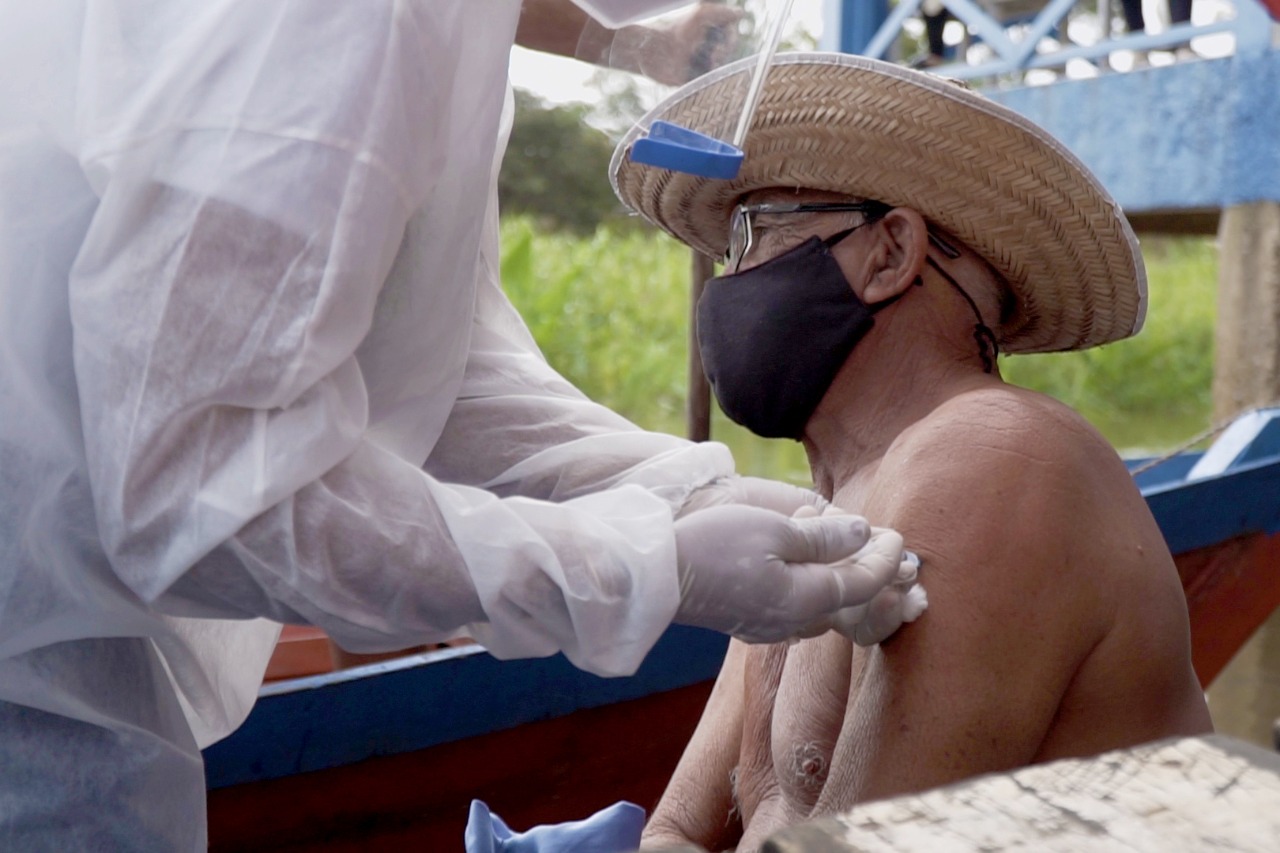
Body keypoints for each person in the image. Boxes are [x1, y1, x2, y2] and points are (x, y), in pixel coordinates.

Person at [0, 5, 910, 849]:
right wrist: (644, 565)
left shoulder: (437, 32)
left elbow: (420, 373)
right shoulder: (365, 21)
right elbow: (200, 487)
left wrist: (684, 491)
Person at [610, 52, 1214, 852]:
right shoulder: (827, 503)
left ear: (890, 252)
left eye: (753, 233)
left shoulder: (995, 459)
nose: (732, 277)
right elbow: (678, 831)